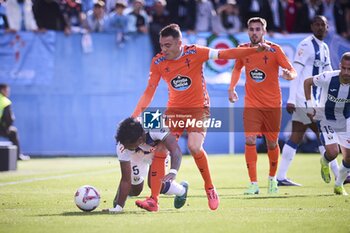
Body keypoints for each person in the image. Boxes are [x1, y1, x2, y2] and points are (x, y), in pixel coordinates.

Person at [131, 23, 269, 210]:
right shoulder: (158, 62)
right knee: (161, 149)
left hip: (198, 109)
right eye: (161, 45)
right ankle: (153, 200)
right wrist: (134, 116)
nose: (163, 49)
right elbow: (149, 92)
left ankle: (209, 188)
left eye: (168, 45)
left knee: (194, 146)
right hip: (174, 111)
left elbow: (225, 54)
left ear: (180, 43)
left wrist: (254, 50)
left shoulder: (195, 53)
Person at [228, 17, 296, 195]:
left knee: (271, 143)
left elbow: (292, 70)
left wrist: (290, 75)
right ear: (248, 31)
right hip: (251, 104)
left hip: (272, 104)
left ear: (264, 31)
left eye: (258, 29)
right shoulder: (243, 50)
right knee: (250, 140)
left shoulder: (275, 50)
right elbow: (236, 69)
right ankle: (253, 184)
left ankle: (272, 179)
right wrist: (232, 88)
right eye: (251, 29)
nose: (254, 32)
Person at [277, 15, 340, 186]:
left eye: (323, 25)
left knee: (296, 136)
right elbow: (295, 72)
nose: (320, 27)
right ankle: (339, 175)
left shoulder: (325, 47)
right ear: (312, 26)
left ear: (327, 28)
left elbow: (330, 73)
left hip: (316, 99)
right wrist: (290, 99)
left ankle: (281, 177)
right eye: (317, 24)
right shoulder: (306, 45)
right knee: (323, 134)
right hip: (303, 98)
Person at [104, 117, 189, 213]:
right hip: (137, 154)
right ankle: (120, 197)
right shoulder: (123, 145)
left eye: (128, 145)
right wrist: (119, 207)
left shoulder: (155, 125)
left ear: (140, 139)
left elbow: (175, 150)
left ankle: (182, 190)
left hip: (157, 153)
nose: (125, 147)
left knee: (156, 185)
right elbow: (125, 179)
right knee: (135, 190)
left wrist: (173, 171)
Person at [304, 52, 350, 195]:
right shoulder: (328, 77)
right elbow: (307, 82)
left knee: (348, 158)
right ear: (339, 66)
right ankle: (325, 162)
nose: (346, 72)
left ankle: (338, 185)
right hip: (325, 118)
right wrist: (310, 105)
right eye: (344, 68)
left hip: (345, 120)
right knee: (333, 152)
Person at [0, 84, 29, 161]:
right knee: (13, 132)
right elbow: (8, 117)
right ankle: (18, 155)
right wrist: (8, 127)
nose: (8, 92)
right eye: (6, 90)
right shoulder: (5, 101)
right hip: (1, 127)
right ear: (2, 90)